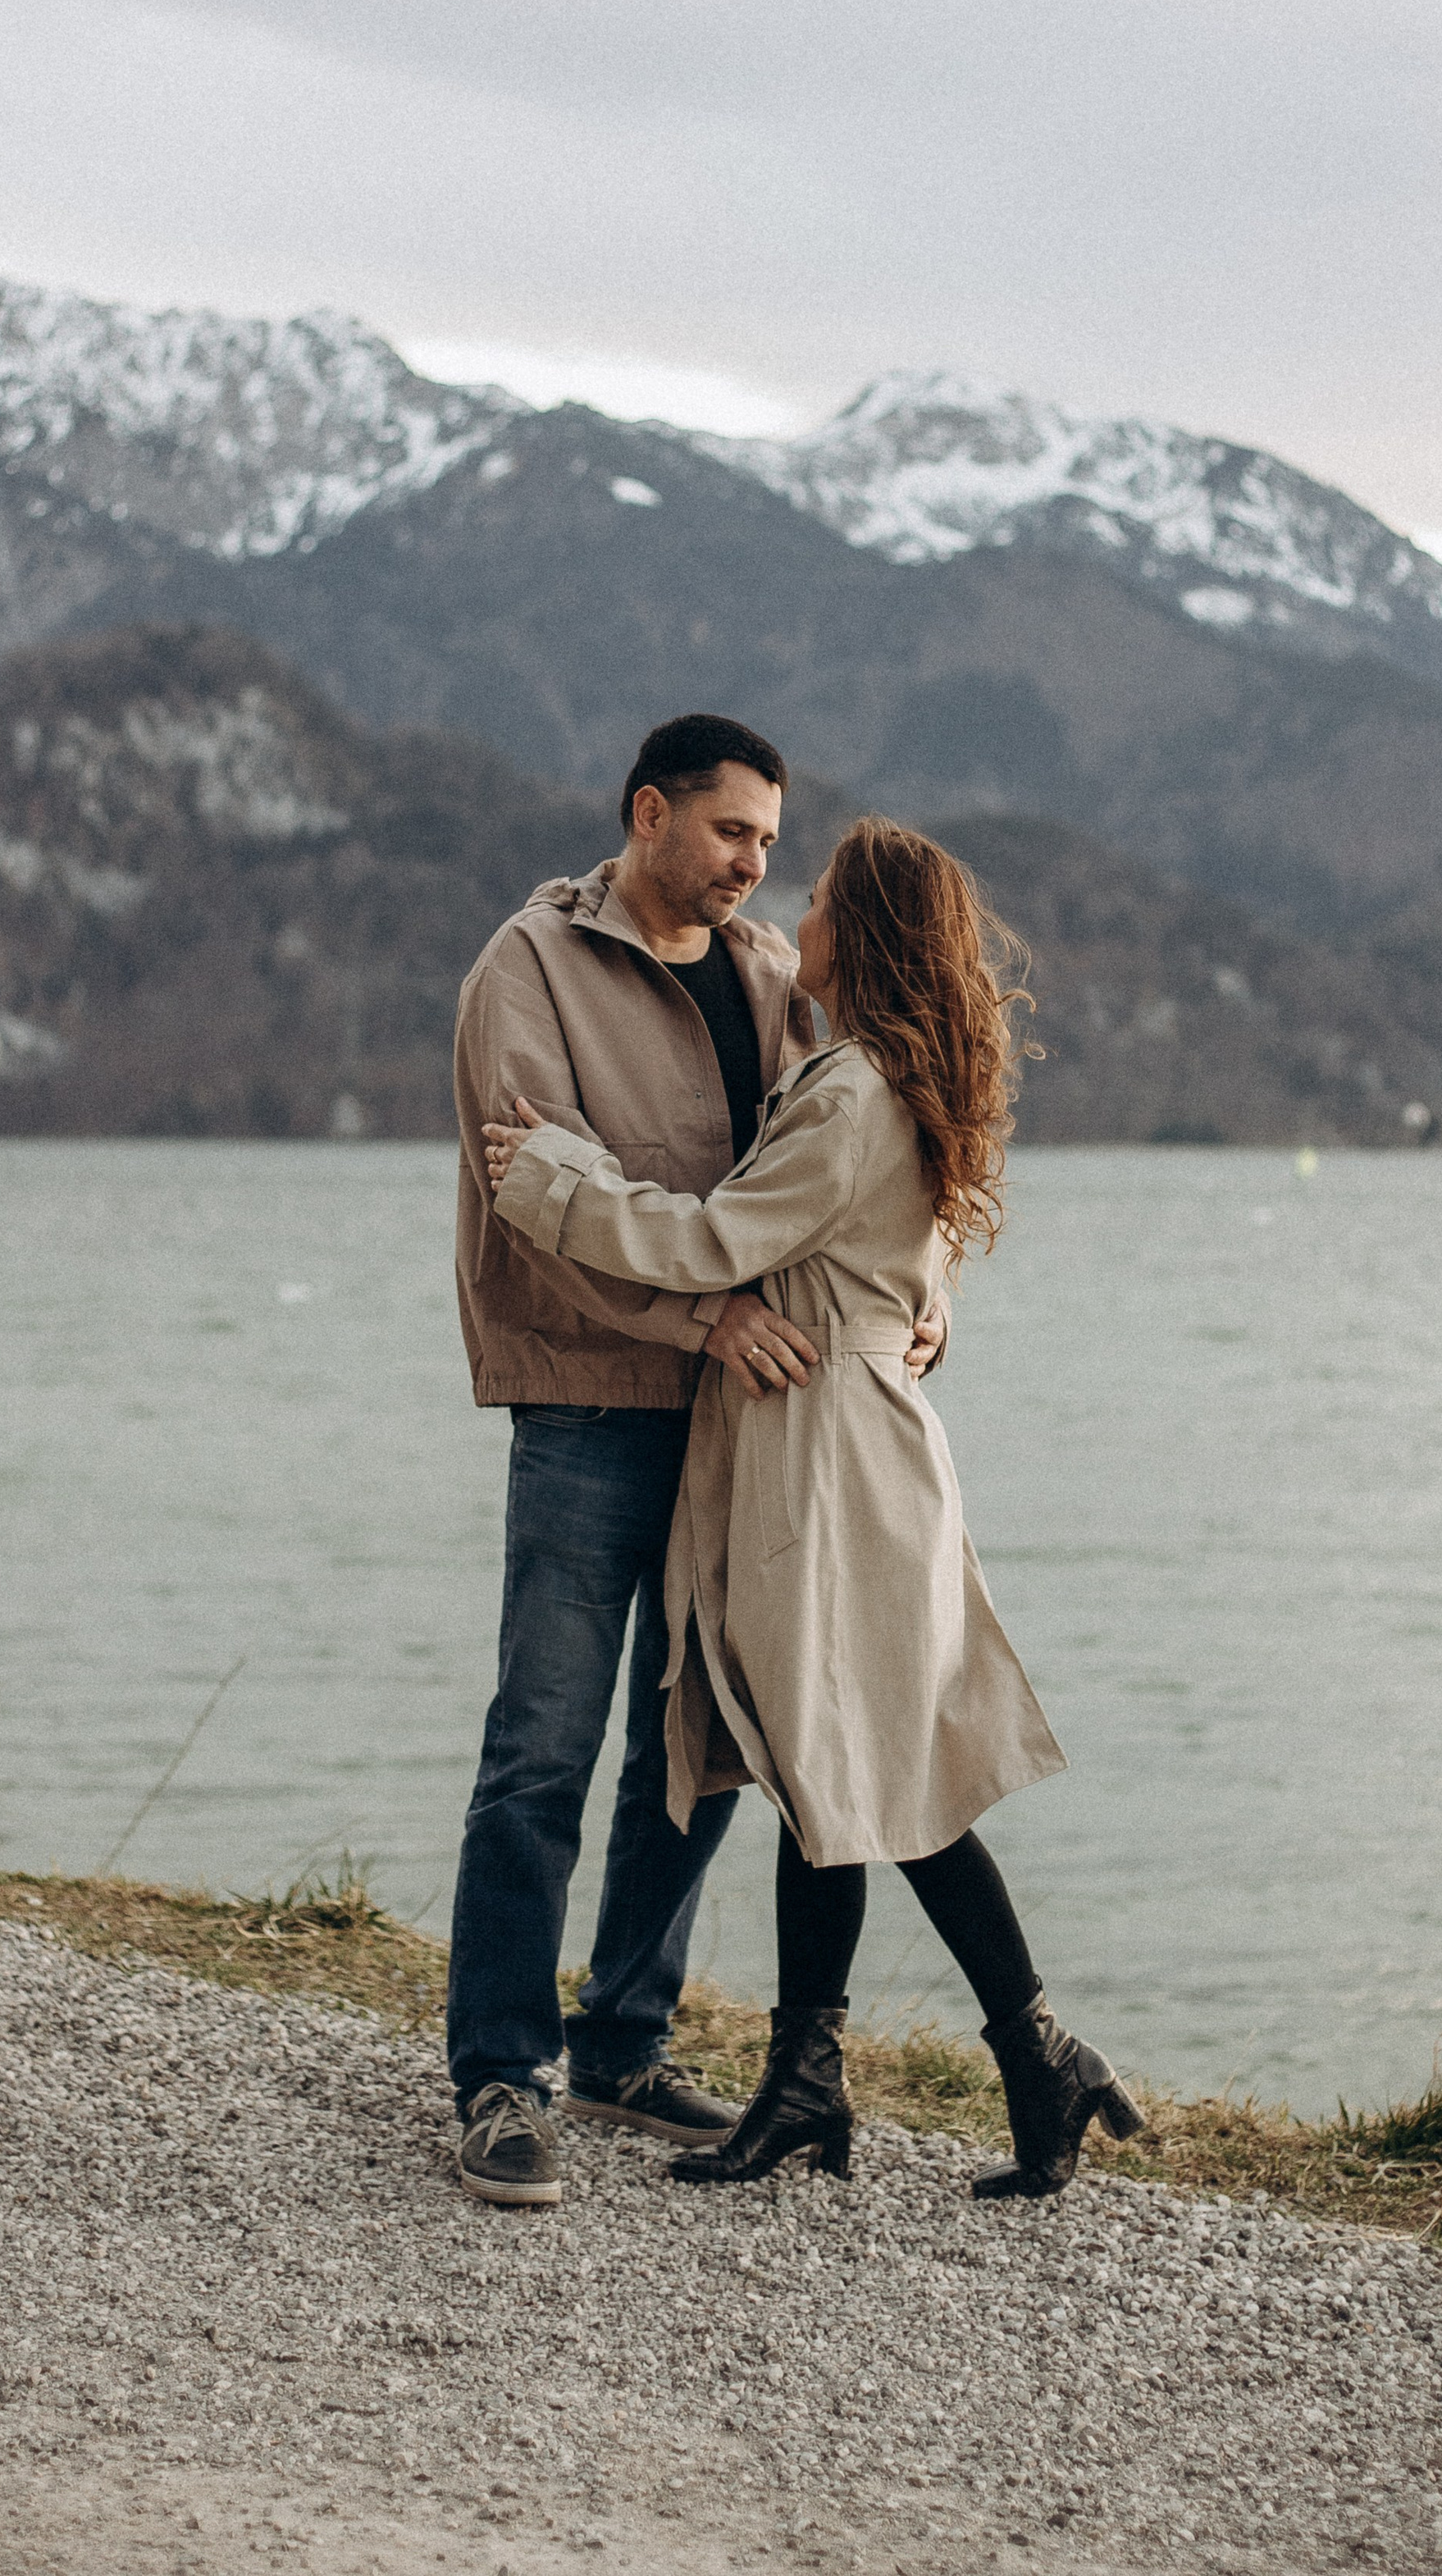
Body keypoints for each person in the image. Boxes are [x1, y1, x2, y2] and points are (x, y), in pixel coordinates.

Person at [484, 816, 1143, 2200]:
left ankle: (979, 2055)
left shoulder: (848, 1091)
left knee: (847, 1767)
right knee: (835, 1769)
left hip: (829, 1452)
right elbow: (883, 1244)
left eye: (823, 891)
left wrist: (550, 1180)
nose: (800, 908)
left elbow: (711, 1239)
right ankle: (878, 2070)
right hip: (842, 1439)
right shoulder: (886, 1075)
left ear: (870, 932)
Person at [446, 718, 945, 2208]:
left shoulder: (776, 977)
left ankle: (624, 2037)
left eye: (770, 845)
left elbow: (870, 1150)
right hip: (596, 1400)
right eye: (731, 834)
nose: (753, 868)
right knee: (545, 1738)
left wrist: (927, 1294)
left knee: (705, 1736)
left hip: (752, 1419)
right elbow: (538, 1198)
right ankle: (499, 2074)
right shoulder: (524, 973)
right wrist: (705, 1317)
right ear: (648, 813)